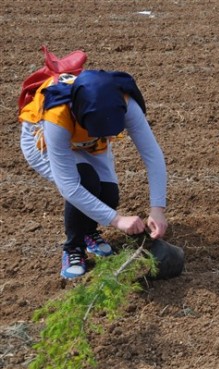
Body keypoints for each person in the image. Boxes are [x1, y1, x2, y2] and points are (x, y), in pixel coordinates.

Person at [19, 69, 168, 279]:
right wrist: (117, 220)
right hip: (42, 140)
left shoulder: (123, 102)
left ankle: (89, 232)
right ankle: (73, 248)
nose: (110, 136)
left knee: (108, 195)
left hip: (89, 142)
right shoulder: (57, 116)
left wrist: (158, 209)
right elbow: (69, 186)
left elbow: (152, 155)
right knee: (85, 181)